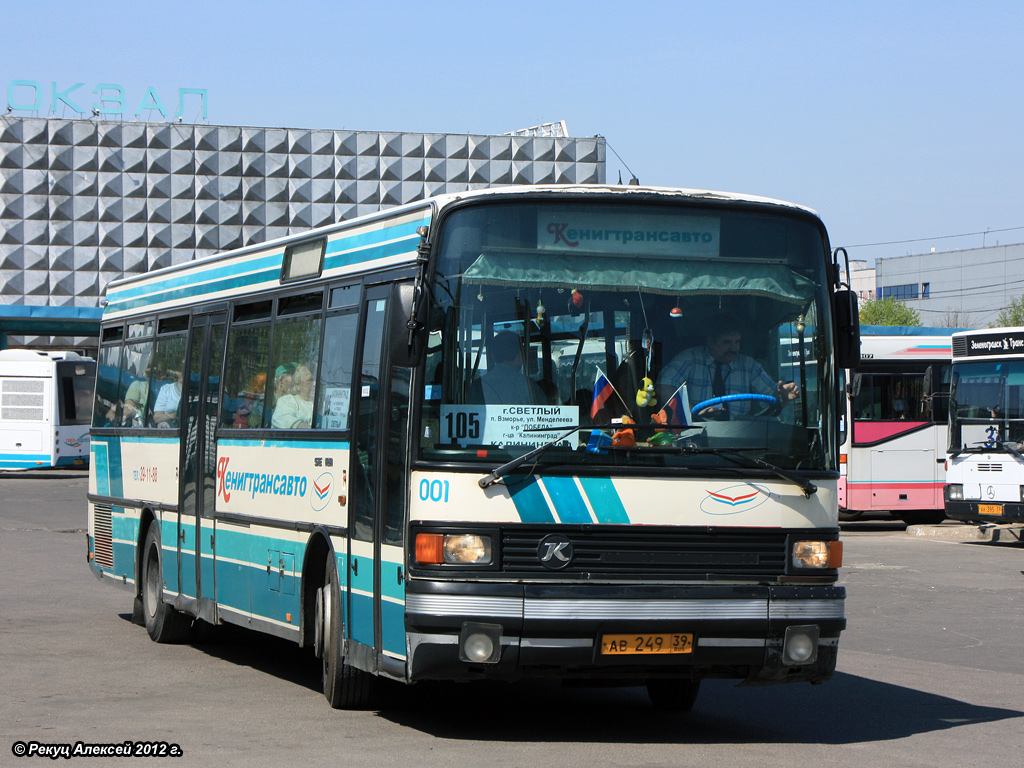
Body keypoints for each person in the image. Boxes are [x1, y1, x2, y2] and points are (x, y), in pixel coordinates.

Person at [658, 316, 799, 420]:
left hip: (738, 441)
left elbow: (770, 396)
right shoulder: (690, 358)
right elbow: (664, 386)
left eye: (737, 342)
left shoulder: (748, 366)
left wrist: (782, 397)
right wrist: (692, 413)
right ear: (710, 342)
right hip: (695, 438)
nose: (734, 349)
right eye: (727, 342)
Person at [470, 331, 547, 405]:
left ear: (493, 356)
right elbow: (543, 415)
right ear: (519, 357)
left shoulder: (478, 386)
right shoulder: (529, 386)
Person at [272, 364, 314, 428]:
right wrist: (311, 429)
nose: (314, 383)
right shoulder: (287, 401)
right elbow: (284, 420)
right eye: (310, 380)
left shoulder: (322, 405)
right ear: (298, 385)